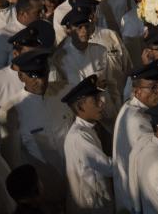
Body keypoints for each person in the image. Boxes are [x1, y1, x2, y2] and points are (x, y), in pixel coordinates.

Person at [0, 49, 72, 209]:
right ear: (21, 76)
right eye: (33, 76)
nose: (41, 80)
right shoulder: (11, 111)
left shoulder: (64, 92)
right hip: (43, 197)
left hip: (75, 187)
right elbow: (13, 162)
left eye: (43, 73)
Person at [112, 60, 158, 213]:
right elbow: (154, 160)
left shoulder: (132, 107)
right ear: (137, 91)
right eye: (153, 88)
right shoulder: (138, 120)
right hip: (136, 197)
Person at [62, 75, 114, 214]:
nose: (101, 104)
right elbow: (108, 168)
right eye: (95, 100)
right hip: (91, 207)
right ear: (80, 106)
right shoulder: (80, 136)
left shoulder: (88, 129)